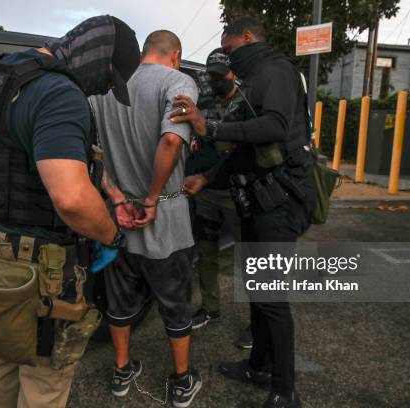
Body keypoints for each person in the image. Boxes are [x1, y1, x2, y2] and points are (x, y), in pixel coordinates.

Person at [0, 15, 140, 408]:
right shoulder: (59, 93)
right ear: (98, 56)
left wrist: (112, 192)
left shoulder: (3, 72)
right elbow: (72, 199)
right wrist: (112, 235)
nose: (106, 89)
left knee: (5, 360)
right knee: (45, 383)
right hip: (41, 267)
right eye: (110, 78)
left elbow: (45, 150)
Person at [171, 16, 317, 408]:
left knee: (271, 296)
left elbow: (274, 126)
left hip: (281, 203)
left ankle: (285, 390)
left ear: (248, 38)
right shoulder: (254, 81)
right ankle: (258, 366)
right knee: (257, 288)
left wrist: (211, 128)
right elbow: (244, 151)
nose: (230, 60)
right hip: (257, 201)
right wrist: (208, 178)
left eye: (231, 49)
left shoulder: (277, 71)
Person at [90, 30, 203, 408]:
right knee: (175, 302)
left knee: (119, 302)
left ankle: (122, 370)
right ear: (176, 55)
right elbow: (171, 140)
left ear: (143, 54)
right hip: (165, 216)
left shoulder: (103, 90)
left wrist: (117, 196)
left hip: (117, 218)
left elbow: (90, 155)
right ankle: (182, 380)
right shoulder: (179, 81)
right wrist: (152, 199)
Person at [184, 48, 242, 329]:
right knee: (206, 253)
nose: (217, 81)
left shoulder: (245, 103)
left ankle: (261, 320)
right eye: (212, 76)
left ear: (232, 73)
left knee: (249, 259)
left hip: (236, 192)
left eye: (221, 76)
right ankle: (210, 308)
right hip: (205, 193)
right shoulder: (203, 101)